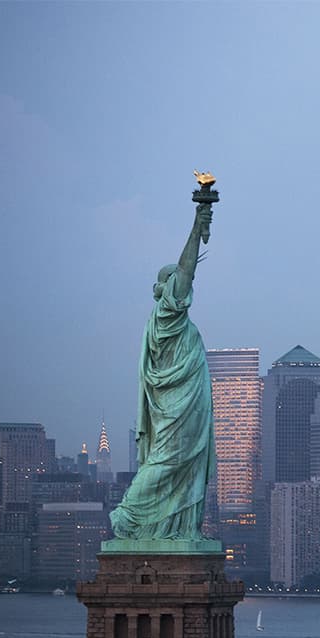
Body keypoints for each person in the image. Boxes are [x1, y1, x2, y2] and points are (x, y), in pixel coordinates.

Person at [109, 200, 216, 540]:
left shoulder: (175, 323)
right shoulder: (167, 317)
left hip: (187, 405)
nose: (186, 289)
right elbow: (187, 270)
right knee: (168, 460)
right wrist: (197, 226)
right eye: (179, 284)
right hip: (175, 407)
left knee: (186, 465)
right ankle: (129, 516)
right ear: (169, 288)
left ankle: (181, 528)